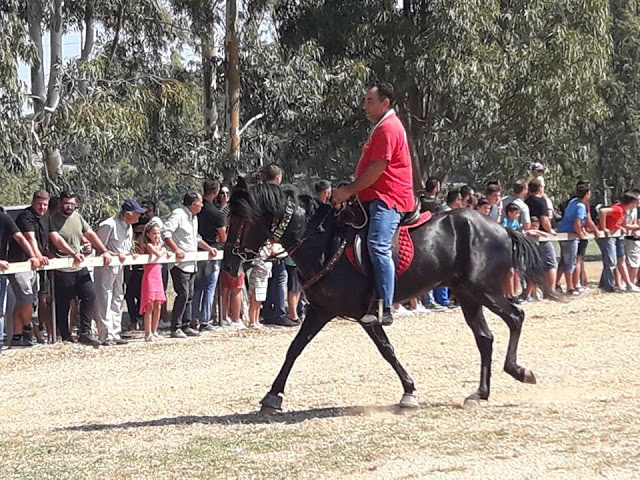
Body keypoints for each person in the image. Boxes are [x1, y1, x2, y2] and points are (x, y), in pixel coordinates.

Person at [332, 80, 414, 326]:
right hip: (374, 196)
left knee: (378, 245)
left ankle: (385, 307)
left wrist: (348, 191)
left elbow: (378, 168)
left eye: (369, 101)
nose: (364, 106)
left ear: (384, 103)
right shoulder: (381, 127)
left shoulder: (388, 128)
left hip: (388, 198)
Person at [50, 191, 115, 346]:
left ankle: (85, 332)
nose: (69, 207)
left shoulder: (77, 217)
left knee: (89, 295)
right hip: (62, 266)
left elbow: (90, 233)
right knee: (64, 302)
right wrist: (72, 253)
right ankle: (65, 335)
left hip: (79, 265)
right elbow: (56, 240)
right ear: (61, 203)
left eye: (72, 204)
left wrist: (103, 250)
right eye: (66, 204)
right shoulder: (52, 219)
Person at [163, 192, 218, 338]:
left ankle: (186, 325)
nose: (202, 205)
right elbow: (166, 233)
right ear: (193, 203)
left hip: (191, 263)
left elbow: (196, 238)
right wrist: (176, 249)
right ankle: (175, 327)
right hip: (179, 264)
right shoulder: (178, 214)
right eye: (200, 203)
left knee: (190, 295)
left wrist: (208, 248)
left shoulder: (194, 218)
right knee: (183, 293)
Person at [94, 200, 145, 346]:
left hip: (120, 268)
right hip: (106, 268)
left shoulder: (129, 228)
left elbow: (125, 248)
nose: (139, 216)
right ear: (128, 213)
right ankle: (104, 335)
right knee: (105, 299)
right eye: (137, 213)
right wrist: (114, 255)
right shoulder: (109, 225)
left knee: (117, 298)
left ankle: (115, 333)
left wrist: (131, 254)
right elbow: (99, 247)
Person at [3, 198, 42, 347]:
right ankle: (26, 329)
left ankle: (18, 336)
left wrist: (33, 255)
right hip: (13, 265)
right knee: (24, 300)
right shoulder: (24, 217)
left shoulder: (5, 218)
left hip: (17, 266)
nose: (43, 207)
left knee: (23, 302)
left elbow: (21, 237)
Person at [192, 179, 227, 331]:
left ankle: (193, 318)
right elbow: (223, 237)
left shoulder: (196, 212)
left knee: (197, 286)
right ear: (216, 193)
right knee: (209, 286)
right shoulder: (217, 214)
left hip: (196, 249)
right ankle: (205, 320)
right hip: (212, 250)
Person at [262, 164, 294, 327]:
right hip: (275, 243)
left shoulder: (259, 194)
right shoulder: (279, 195)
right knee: (280, 278)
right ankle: (280, 312)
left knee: (264, 280)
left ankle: (266, 310)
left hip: (261, 243)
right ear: (278, 177)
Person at [597, 191, 640, 293]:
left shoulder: (624, 211)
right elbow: (603, 211)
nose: (636, 205)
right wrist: (604, 228)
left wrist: (620, 227)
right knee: (611, 261)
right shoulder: (618, 209)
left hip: (616, 235)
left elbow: (617, 221)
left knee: (621, 259)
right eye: (635, 203)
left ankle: (628, 284)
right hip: (608, 237)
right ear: (631, 203)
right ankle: (608, 286)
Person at [556, 183, 590, 295]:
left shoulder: (573, 201)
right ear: (586, 194)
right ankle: (570, 288)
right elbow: (577, 223)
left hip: (563, 232)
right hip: (570, 235)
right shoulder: (581, 206)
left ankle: (556, 284)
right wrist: (581, 235)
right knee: (570, 262)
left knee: (564, 261)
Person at [524, 179, 557, 296]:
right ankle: (551, 291)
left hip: (528, 237)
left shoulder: (525, 201)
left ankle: (533, 293)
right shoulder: (541, 201)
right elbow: (544, 219)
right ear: (539, 189)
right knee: (551, 263)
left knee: (533, 265)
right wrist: (550, 230)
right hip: (541, 237)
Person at [140, 224, 169, 341]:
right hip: (149, 277)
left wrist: (164, 250)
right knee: (150, 305)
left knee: (158, 305)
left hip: (158, 276)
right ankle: (148, 333)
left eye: (158, 233)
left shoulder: (158, 245)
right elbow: (158, 253)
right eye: (154, 233)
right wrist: (164, 250)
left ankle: (154, 330)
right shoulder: (149, 245)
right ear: (148, 234)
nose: (157, 236)